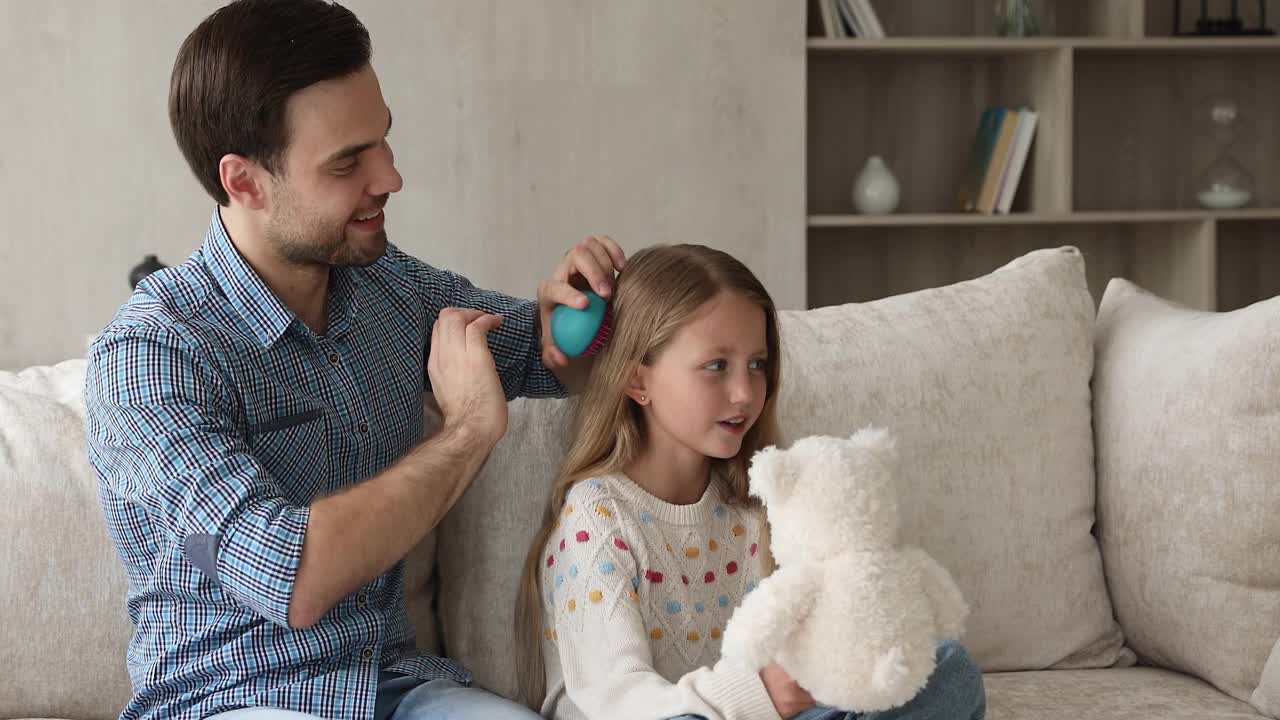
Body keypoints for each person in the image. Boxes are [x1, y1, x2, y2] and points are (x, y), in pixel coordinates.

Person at [83, 1, 622, 718]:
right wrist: (467, 433)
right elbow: (292, 578)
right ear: (244, 182)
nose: (390, 177)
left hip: (397, 687)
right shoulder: (151, 357)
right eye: (348, 162)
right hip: (229, 699)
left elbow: (552, 356)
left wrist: (591, 307)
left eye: (383, 142)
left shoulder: (388, 285)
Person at [515, 244, 987, 720]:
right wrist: (757, 692)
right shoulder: (595, 518)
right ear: (638, 381)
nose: (744, 393)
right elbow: (616, 700)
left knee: (947, 667)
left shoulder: (758, 504)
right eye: (716, 366)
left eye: (757, 365)